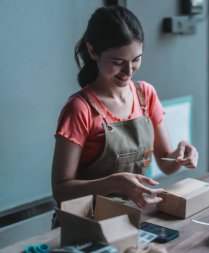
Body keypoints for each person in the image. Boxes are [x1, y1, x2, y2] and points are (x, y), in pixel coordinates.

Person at [51, 5, 198, 209]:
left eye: (136, 59)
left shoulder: (146, 95)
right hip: (86, 222)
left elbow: (166, 164)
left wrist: (182, 155)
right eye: (118, 61)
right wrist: (114, 183)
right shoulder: (79, 109)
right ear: (93, 51)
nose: (128, 71)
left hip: (134, 217)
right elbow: (61, 191)